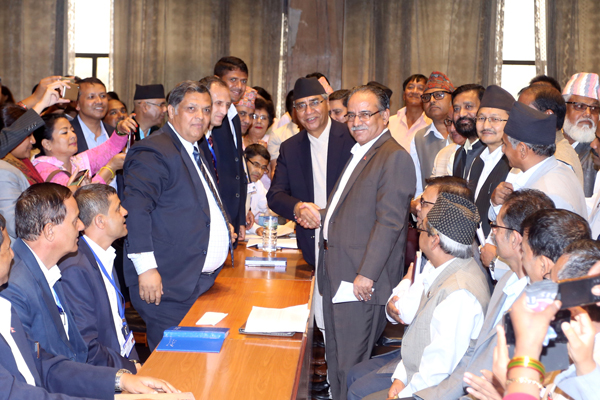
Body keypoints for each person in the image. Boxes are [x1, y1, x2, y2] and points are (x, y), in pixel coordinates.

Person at [0, 211, 179, 399]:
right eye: (7, 248)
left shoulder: (5, 307)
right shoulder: (18, 289)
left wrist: (121, 380)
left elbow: (47, 367)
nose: (13, 255)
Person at [311, 84, 415, 400]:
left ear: (385, 116)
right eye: (350, 115)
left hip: (359, 280)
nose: (356, 121)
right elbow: (353, 209)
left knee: (351, 366)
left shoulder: (394, 157)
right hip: (337, 272)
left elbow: (390, 222)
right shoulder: (364, 150)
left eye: (365, 114)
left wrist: (366, 274)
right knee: (338, 360)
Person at [122, 81, 234, 350]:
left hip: (197, 280)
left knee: (196, 365)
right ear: (171, 111)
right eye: (192, 109)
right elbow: (136, 210)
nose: (201, 117)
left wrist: (222, 224)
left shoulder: (191, 146)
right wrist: (146, 268)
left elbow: (198, 199)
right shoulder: (154, 149)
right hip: (167, 284)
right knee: (173, 368)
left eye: (206, 110)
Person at [413, 189, 555, 400]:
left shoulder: (543, 305)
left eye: (495, 226)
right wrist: (430, 396)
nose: (492, 234)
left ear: (516, 239)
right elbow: (473, 354)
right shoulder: (506, 281)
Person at [356, 193, 491, 400]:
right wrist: (401, 378)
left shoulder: (459, 293)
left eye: (421, 229)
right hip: (416, 375)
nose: (418, 232)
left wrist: (404, 393)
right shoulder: (448, 267)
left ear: (435, 240)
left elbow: (438, 368)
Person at [267, 77, 355, 346]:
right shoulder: (291, 148)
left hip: (349, 243)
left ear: (326, 103)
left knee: (345, 322)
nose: (309, 112)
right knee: (318, 319)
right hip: (312, 243)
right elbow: (275, 195)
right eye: (301, 106)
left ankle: (338, 384)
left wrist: (325, 212)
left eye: (315, 103)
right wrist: (297, 207)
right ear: (294, 112)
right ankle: (326, 382)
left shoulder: (351, 136)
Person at [58, 184, 140, 372]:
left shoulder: (104, 254)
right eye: (118, 208)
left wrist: (136, 365)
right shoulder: (75, 269)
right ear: (100, 221)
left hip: (123, 362)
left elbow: (119, 328)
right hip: (107, 375)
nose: (125, 212)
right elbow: (88, 348)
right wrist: (132, 370)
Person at [489, 102, 587, 222]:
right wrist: (497, 203)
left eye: (505, 144)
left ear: (522, 150)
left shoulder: (547, 195)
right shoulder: (557, 169)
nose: (503, 150)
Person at [32, 113, 133, 187]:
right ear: (47, 144)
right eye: (64, 132)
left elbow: (110, 148)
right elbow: (78, 199)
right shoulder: (43, 168)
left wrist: (120, 131)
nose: (73, 135)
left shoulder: (78, 161)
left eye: (72, 130)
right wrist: (110, 168)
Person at [213, 56, 250, 243]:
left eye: (243, 81)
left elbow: (238, 170)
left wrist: (241, 217)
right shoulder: (211, 116)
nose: (239, 86)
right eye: (233, 79)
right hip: (216, 212)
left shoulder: (234, 116)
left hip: (233, 212)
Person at [469, 85, 514, 238]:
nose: (486, 125)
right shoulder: (477, 158)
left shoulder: (513, 164)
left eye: (495, 119)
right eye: (481, 118)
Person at [518, 84, 584, 186]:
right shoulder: (540, 148)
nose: (517, 118)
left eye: (523, 111)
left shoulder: (560, 160)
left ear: (547, 115)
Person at [410, 71, 455, 196]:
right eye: (427, 97)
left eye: (439, 95)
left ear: (452, 99)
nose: (432, 100)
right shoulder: (419, 138)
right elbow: (417, 184)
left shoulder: (463, 134)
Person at [561, 73, 600, 196]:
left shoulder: (596, 152)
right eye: (580, 106)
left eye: (594, 108)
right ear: (564, 109)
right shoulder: (547, 144)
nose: (588, 113)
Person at [388, 74, 431, 152]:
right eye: (410, 87)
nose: (414, 91)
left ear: (427, 97)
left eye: (420, 88)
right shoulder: (389, 122)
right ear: (404, 95)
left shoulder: (431, 124)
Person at [451, 84, 486, 179]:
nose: (461, 114)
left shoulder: (494, 152)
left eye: (468, 106)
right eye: (456, 109)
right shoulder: (457, 155)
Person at [71, 77, 113, 153]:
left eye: (103, 96)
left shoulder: (114, 133)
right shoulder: (68, 134)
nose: (99, 101)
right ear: (77, 104)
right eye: (91, 97)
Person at [244, 144, 270, 235]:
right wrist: (256, 228)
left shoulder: (258, 184)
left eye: (263, 168)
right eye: (256, 165)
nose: (259, 171)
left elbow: (268, 205)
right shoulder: (233, 183)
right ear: (244, 160)